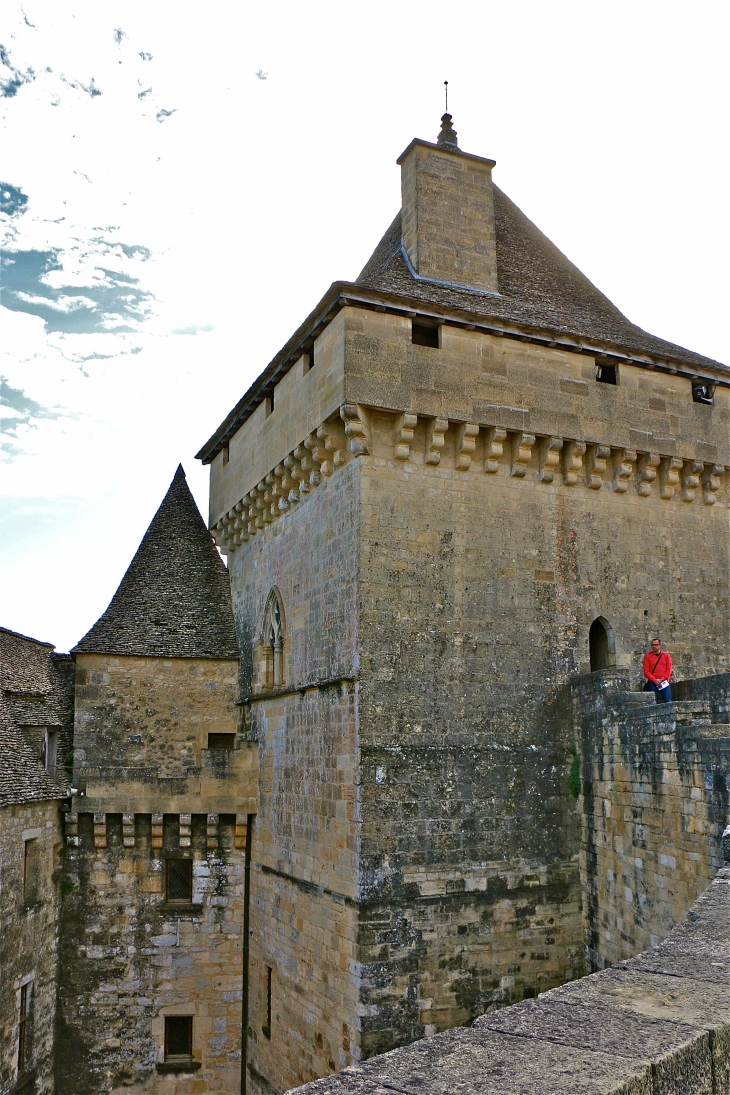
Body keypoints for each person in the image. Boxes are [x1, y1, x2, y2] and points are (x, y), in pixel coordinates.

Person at [643, 638, 672, 702]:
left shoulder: (666, 656)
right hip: (652, 682)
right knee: (654, 701)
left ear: (660, 645)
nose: (654, 646)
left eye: (656, 645)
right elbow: (646, 671)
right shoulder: (647, 656)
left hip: (663, 682)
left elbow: (669, 670)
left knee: (668, 700)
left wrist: (662, 679)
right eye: (652, 645)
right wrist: (654, 680)